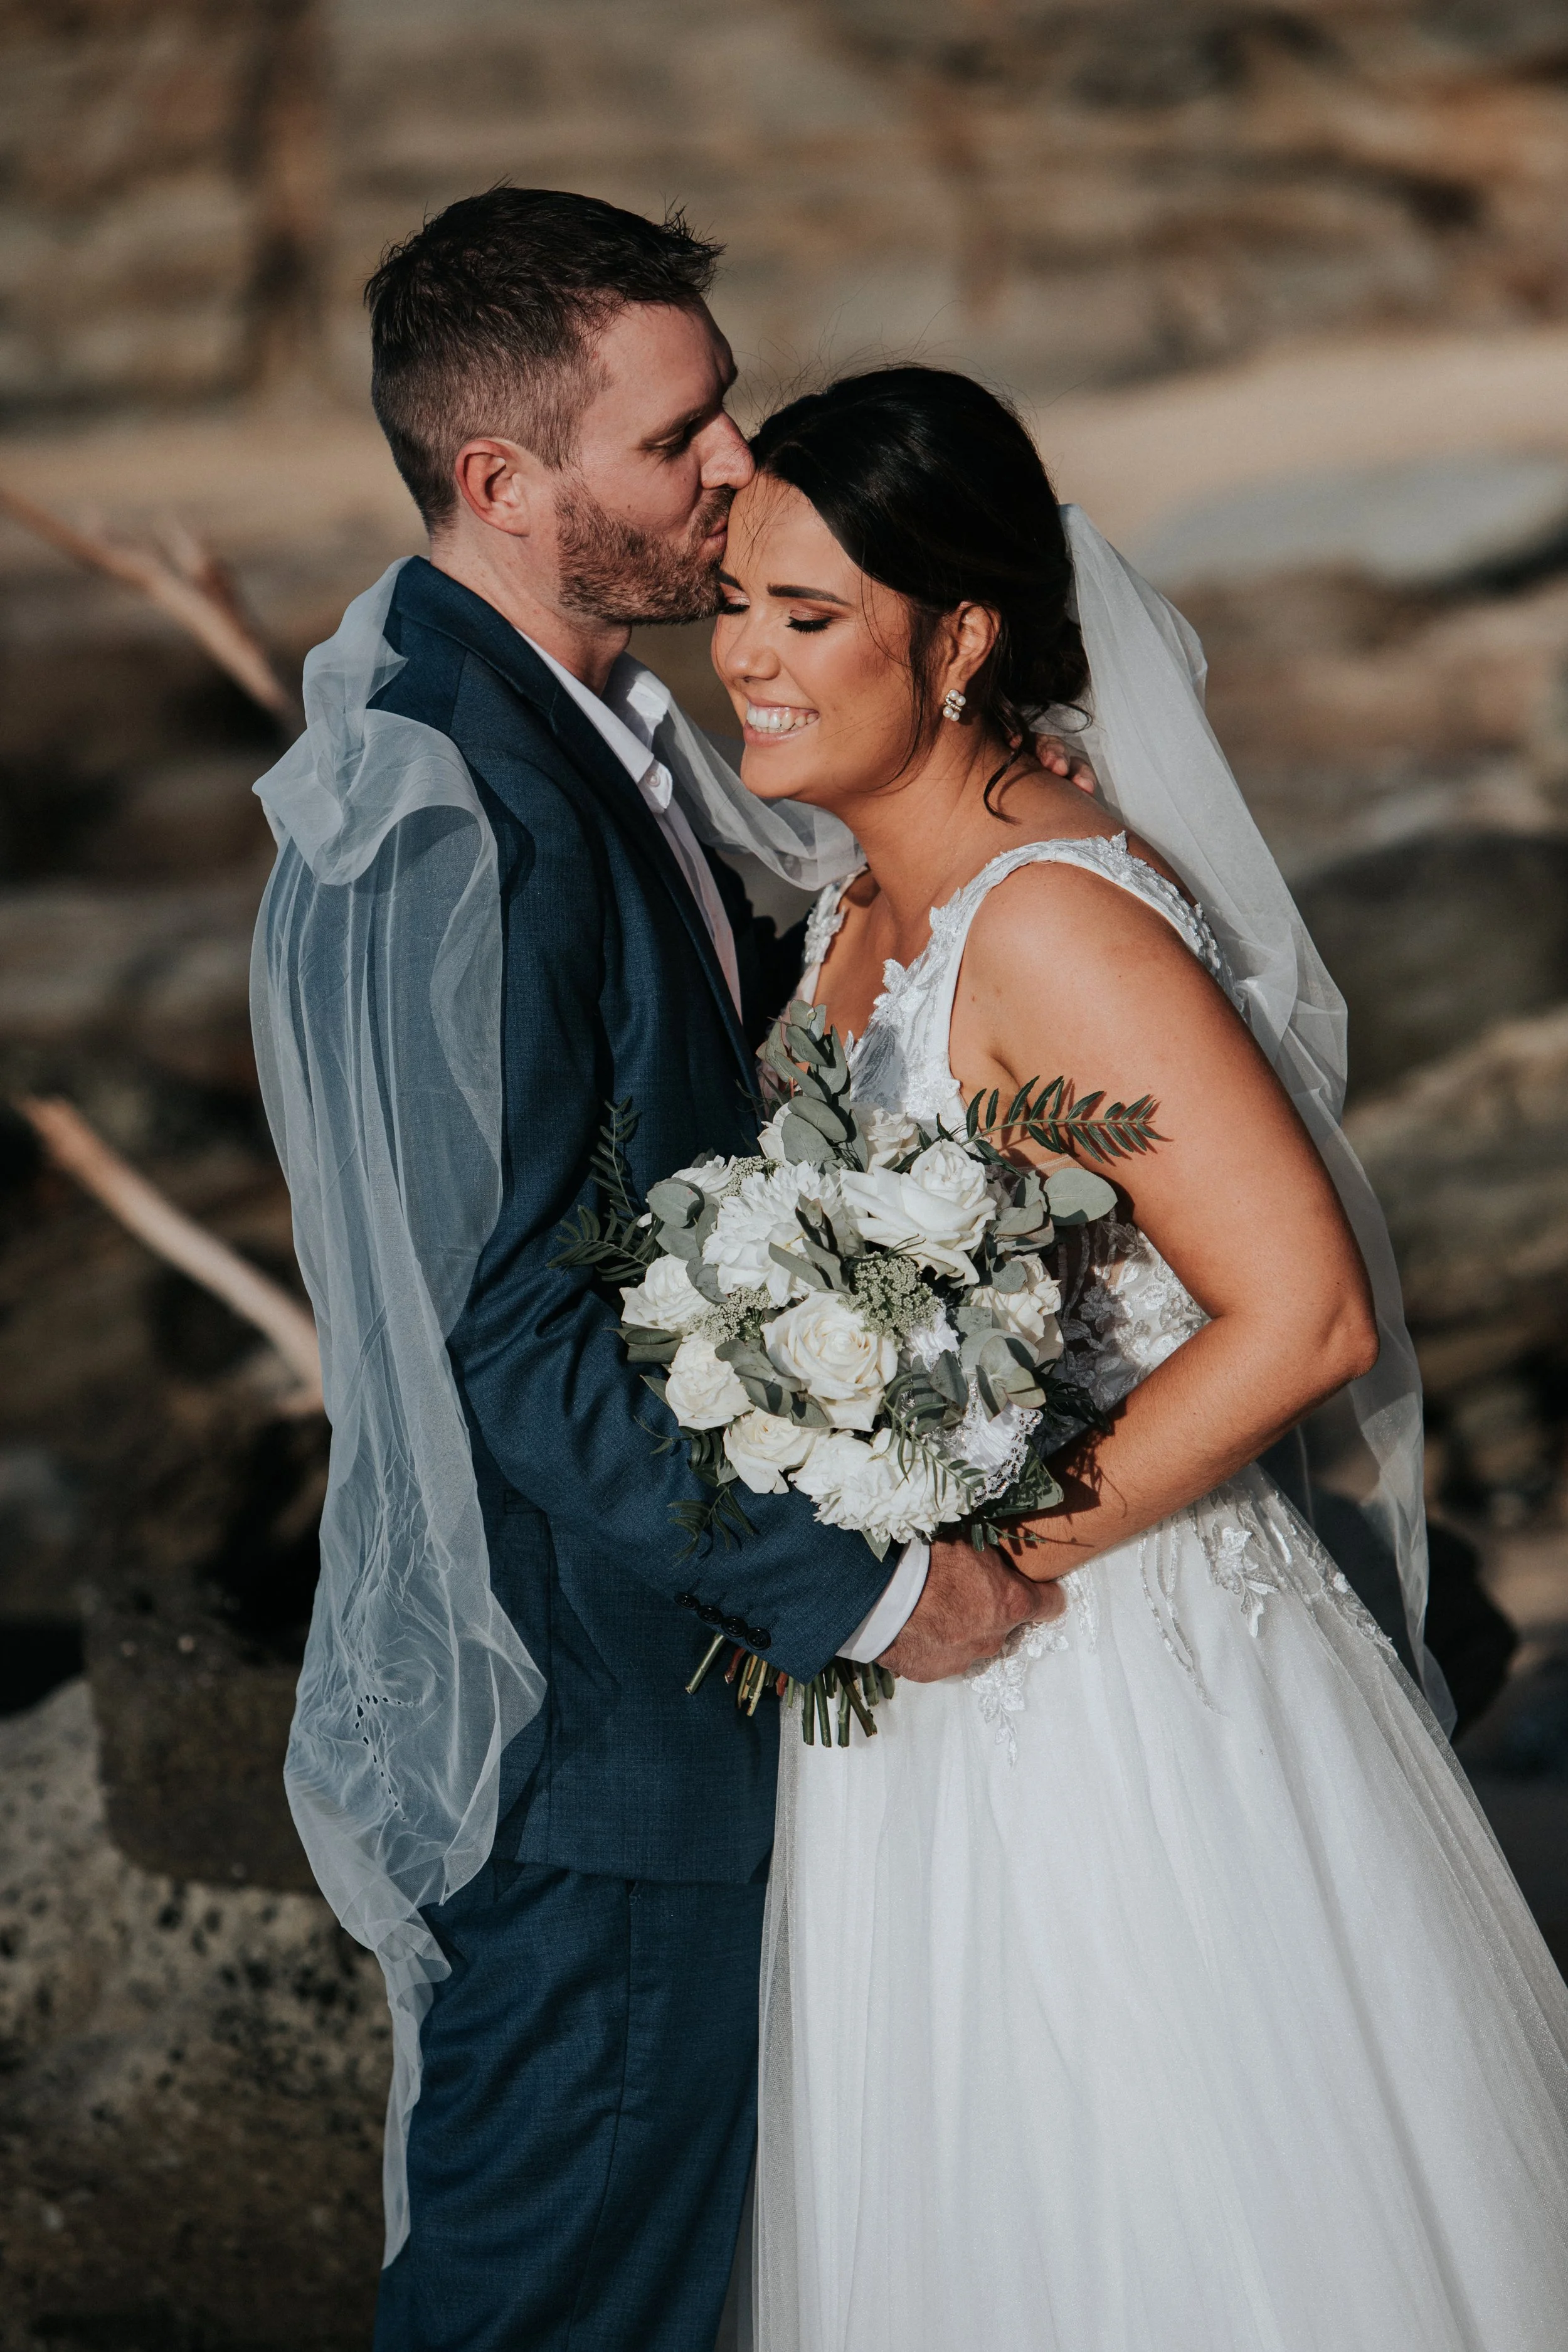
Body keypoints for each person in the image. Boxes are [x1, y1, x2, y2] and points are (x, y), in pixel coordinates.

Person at [250, 193, 1056, 2352]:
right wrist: (865, 1589)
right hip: (586, 1727)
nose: (735, 464)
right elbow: (496, 1319)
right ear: (501, 481)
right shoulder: (466, 801)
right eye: (677, 434)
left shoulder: (573, 721)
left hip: (648, 1704)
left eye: (727, 408)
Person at [711, 366, 1568, 2351]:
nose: (746, 656)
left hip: (1114, 1691)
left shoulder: (1054, 926)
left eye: (806, 615)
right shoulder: (853, 907)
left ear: (962, 639)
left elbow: (1307, 1310)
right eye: (735, 605)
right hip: (911, 1683)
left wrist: (1003, 1551)